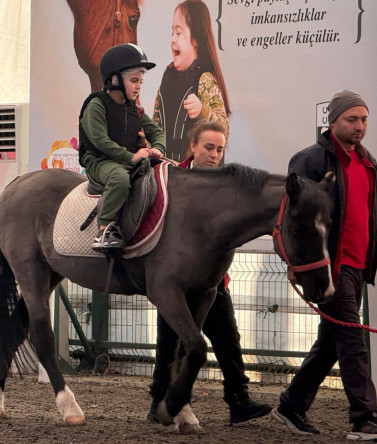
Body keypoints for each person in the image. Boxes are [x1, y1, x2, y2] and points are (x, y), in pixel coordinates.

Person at [271, 91, 377, 442]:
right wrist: (294, 263)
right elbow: (295, 220)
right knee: (351, 339)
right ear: (332, 121)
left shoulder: (367, 163)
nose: (359, 126)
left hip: (357, 267)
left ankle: (291, 405)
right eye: (352, 119)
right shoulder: (309, 160)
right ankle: (364, 419)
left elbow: (376, 212)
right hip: (327, 267)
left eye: (364, 120)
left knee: (333, 342)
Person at [147, 121, 272, 425]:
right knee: (169, 343)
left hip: (213, 281)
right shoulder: (173, 180)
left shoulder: (228, 185)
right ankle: (157, 404)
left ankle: (239, 401)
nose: (215, 154)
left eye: (220, 149)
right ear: (192, 146)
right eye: (209, 147)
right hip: (175, 282)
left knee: (228, 338)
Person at [78, 43, 165, 252]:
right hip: (99, 161)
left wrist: (158, 149)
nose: (138, 87)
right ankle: (105, 229)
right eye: (134, 80)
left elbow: (157, 132)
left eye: (141, 82)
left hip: (124, 160)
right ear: (114, 80)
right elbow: (100, 141)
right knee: (120, 178)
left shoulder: (135, 110)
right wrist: (131, 157)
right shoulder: (96, 105)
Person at [153, 0, 230, 163]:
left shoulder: (204, 79)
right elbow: (156, 124)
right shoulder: (167, 79)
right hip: (168, 168)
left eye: (179, 33)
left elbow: (224, 130)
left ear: (196, 39)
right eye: (172, 33)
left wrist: (202, 110)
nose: (173, 39)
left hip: (197, 175)